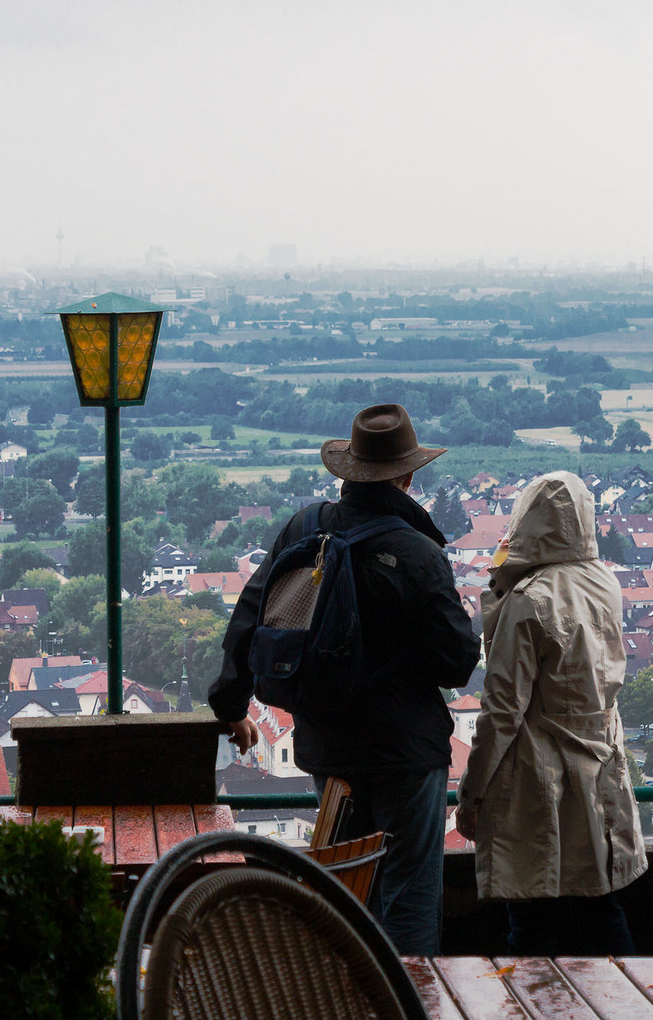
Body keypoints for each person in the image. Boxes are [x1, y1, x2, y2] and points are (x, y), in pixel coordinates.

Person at [210, 403, 480, 955]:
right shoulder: (418, 552)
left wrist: (231, 704)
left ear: (349, 470)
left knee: (343, 895)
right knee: (406, 903)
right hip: (406, 754)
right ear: (408, 476)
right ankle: (410, 1005)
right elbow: (456, 662)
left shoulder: (305, 527)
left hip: (328, 745)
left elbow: (252, 614)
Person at [455, 470, 647, 955]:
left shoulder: (527, 601)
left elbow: (501, 713)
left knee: (532, 920)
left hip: (537, 782)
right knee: (601, 911)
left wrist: (471, 795)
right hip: (601, 766)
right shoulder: (605, 584)